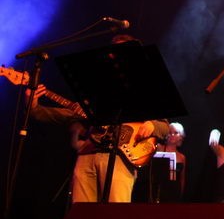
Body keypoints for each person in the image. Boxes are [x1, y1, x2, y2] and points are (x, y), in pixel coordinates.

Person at [26, 34, 170, 203]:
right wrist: (32, 105)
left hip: (121, 158)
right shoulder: (96, 88)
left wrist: (152, 125)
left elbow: (164, 127)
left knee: (115, 213)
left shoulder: (145, 89)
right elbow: (61, 115)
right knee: (81, 213)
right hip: (87, 154)